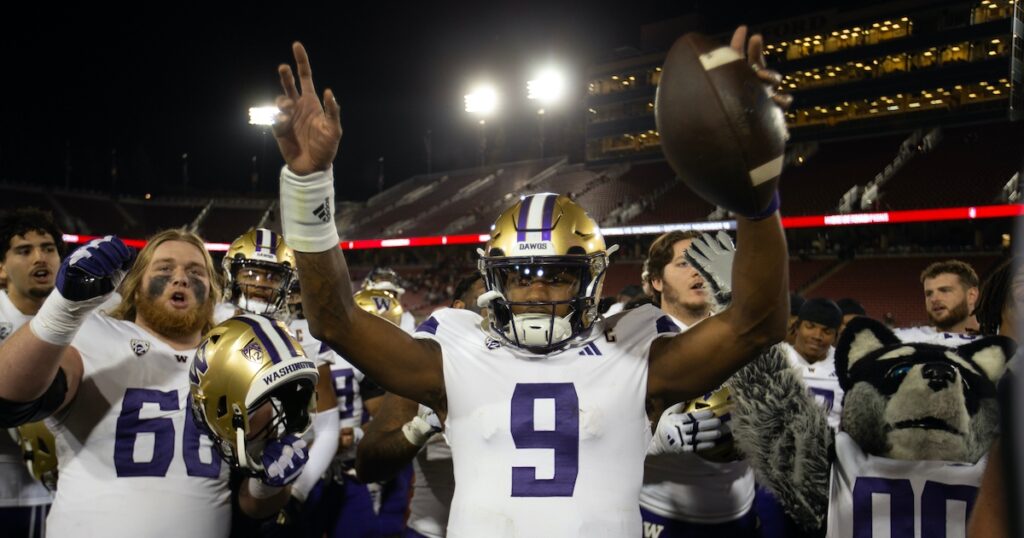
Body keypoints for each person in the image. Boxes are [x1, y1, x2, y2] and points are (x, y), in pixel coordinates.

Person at [271, 27, 789, 536]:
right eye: (519, 276)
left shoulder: (635, 355)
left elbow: (757, 325)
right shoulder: (456, 350)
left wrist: (758, 189)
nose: (537, 291)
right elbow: (334, 320)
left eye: (558, 275)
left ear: (593, 280)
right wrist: (308, 183)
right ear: (492, 278)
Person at [0, 229, 302, 537]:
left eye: (195, 271)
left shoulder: (239, 364)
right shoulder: (94, 333)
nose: (181, 278)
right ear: (135, 287)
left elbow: (252, 505)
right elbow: (9, 398)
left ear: (213, 291)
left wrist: (269, 485)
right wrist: (62, 310)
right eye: (164, 269)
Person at [640, 231, 758, 536]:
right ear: (656, 281)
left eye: (704, 262)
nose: (698, 271)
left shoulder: (752, 337)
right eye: (683, 264)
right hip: (658, 511)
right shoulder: (630, 339)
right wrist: (651, 441)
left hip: (738, 510)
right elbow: (592, 429)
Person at [356, 272, 487, 538]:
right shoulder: (432, 364)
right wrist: (421, 427)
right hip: (432, 528)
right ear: (459, 310)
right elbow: (369, 463)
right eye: (487, 295)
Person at [0, 208, 64, 537]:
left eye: (48, 248)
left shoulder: (86, 317)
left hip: (65, 493)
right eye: (24, 250)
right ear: (1, 267)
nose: (40, 258)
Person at [897, 259, 980, 341]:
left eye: (944, 290)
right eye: (929, 294)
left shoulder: (990, 341)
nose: (934, 299)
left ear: (971, 295)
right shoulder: (906, 339)